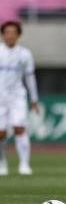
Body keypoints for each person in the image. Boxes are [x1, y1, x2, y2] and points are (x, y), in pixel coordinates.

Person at [0, 21, 39, 176]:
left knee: (19, 128)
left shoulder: (25, 54)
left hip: (17, 96)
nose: (10, 35)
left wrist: (34, 99)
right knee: (1, 133)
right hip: (0, 97)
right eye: (7, 32)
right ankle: (2, 162)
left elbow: (30, 78)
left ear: (18, 35)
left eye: (13, 32)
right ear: (3, 34)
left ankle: (24, 164)